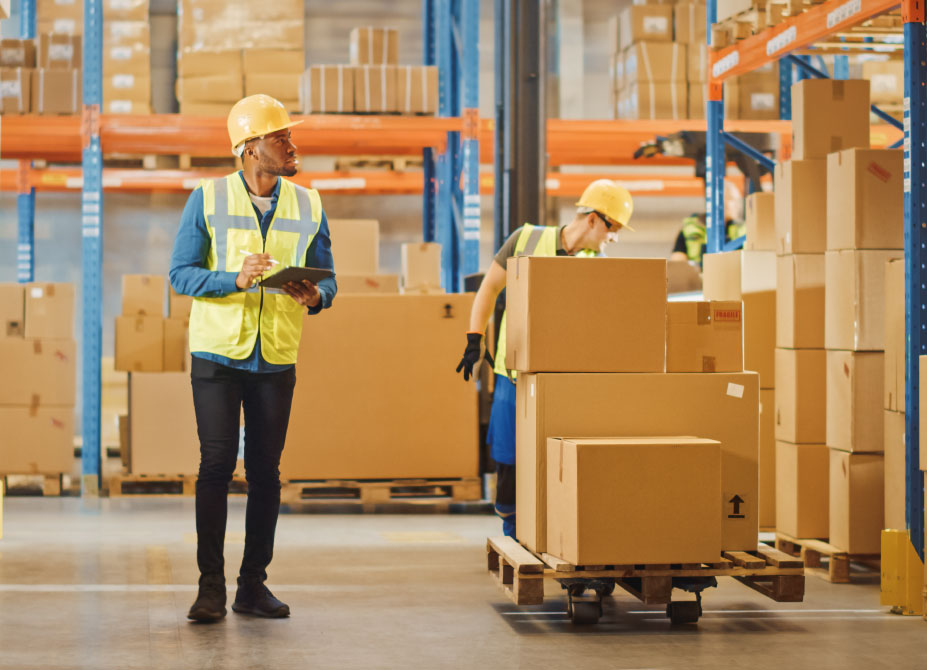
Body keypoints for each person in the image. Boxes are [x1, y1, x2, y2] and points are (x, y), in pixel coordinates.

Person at [169, 94, 337, 622]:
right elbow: (180, 274)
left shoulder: (309, 203)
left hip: (276, 359)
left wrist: (316, 297)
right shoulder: (207, 198)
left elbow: (327, 276)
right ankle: (210, 588)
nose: (292, 146)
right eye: (279, 137)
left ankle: (252, 586)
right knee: (216, 467)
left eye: (290, 136)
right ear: (248, 149)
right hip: (218, 356)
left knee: (266, 472)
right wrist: (233, 279)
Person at [455, 180, 634, 538]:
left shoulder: (596, 263)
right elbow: (489, 287)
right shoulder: (525, 239)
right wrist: (475, 338)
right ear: (595, 219)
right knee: (509, 455)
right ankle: (512, 531)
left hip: (560, 379)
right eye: (613, 228)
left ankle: (554, 533)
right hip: (513, 373)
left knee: (554, 458)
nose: (613, 238)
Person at [670, 213, 745, 267]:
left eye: (733, 200)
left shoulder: (743, 230)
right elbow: (677, 263)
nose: (729, 203)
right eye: (726, 199)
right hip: (696, 282)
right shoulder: (691, 228)